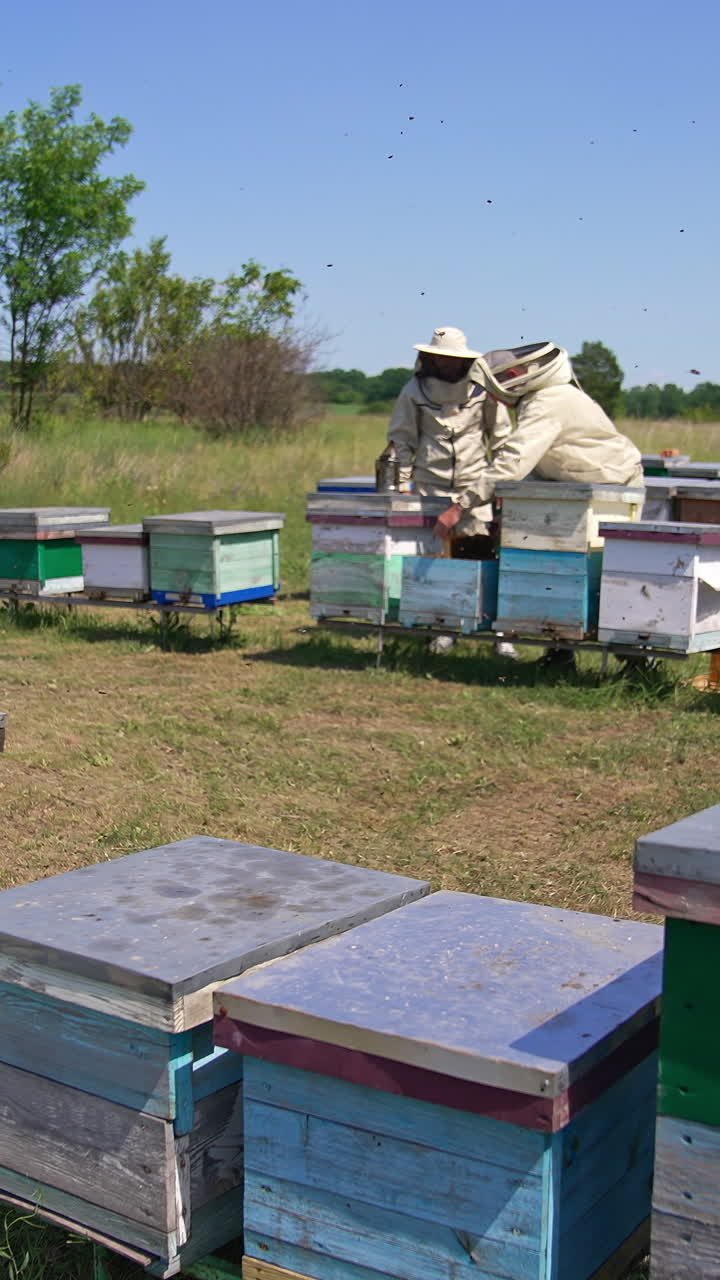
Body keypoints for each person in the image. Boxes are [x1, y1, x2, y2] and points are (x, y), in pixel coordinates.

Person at [431, 341, 644, 667]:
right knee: (560, 570)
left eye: (493, 388)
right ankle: (562, 654)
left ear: (515, 376)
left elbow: (513, 461)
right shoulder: (542, 399)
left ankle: (635, 661)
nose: (493, 397)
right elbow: (540, 463)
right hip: (577, 489)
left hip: (612, 490)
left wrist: (460, 505)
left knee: (603, 579)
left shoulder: (549, 402)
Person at [386, 326, 518, 657]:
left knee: (479, 556)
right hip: (430, 486)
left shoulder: (484, 391)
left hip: (476, 487)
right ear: (429, 358)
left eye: (450, 359)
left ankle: (498, 631)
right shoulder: (413, 391)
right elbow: (402, 441)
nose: (445, 364)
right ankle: (445, 629)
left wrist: (502, 484)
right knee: (436, 560)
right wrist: (402, 486)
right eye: (439, 358)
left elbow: (501, 438)